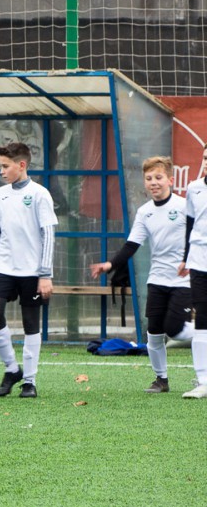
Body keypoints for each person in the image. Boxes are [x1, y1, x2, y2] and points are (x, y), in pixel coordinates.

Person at [91, 156, 194, 393]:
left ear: (170, 179)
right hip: (157, 279)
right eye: (149, 178)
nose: (153, 182)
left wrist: (188, 260)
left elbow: (195, 237)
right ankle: (161, 379)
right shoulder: (144, 212)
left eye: (158, 177)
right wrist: (109, 265)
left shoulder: (184, 206)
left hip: (183, 279)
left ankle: (203, 338)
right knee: (154, 332)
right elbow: (131, 245)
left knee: (175, 328)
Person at [0, 140, 58, 399]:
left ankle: (29, 381)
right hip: (4, 268)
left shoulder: (39, 194)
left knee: (30, 324)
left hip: (32, 272)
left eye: (5, 166)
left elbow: (48, 235)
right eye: (0, 166)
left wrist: (45, 274)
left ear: (21, 165)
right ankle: (12, 369)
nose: (1, 171)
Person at [181, 143, 207, 399]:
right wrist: (184, 257)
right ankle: (203, 381)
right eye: (206, 157)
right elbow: (189, 225)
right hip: (199, 260)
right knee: (202, 317)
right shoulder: (194, 188)